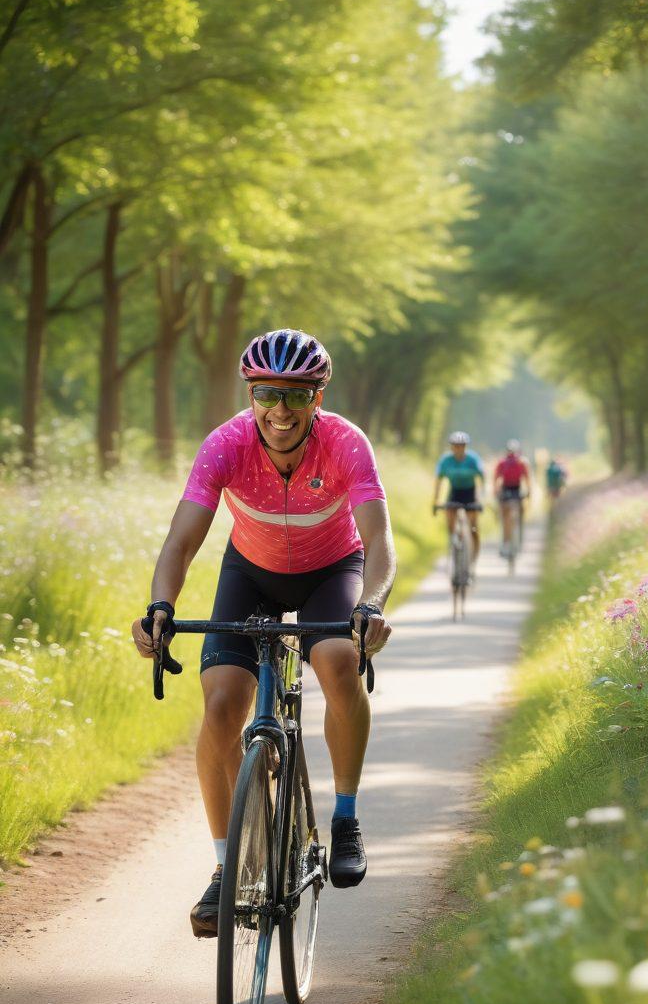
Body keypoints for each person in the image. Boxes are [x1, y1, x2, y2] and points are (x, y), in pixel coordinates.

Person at [131, 329, 395, 938]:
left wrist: (373, 605)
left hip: (333, 570)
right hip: (249, 571)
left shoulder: (346, 443)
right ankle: (226, 869)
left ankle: (346, 817)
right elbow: (182, 541)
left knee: (334, 658)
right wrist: (160, 608)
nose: (281, 408)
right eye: (267, 393)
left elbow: (379, 541)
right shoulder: (224, 445)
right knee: (222, 703)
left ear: (318, 397)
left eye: (297, 396)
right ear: (250, 393)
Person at [432, 431, 485, 566]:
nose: (459, 449)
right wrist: (436, 500)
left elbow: (481, 478)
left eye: (462, 446)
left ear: (465, 447)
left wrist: (481, 499)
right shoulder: (446, 460)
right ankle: (455, 546)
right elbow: (439, 480)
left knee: (473, 527)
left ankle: (472, 556)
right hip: (455, 493)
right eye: (456, 446)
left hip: (470, 493)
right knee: (450, 521)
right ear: (451, 447)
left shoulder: (473, 459)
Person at [494, 439, 531, 555]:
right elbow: (527, 479)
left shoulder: (502, 462)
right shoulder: (522, 462)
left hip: (507, 489)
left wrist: (496, 491)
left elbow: (496, 478)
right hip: (515, 489)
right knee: (512, 514)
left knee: (505, 517)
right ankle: (511, 539)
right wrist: (529, 492)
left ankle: (506, 542)